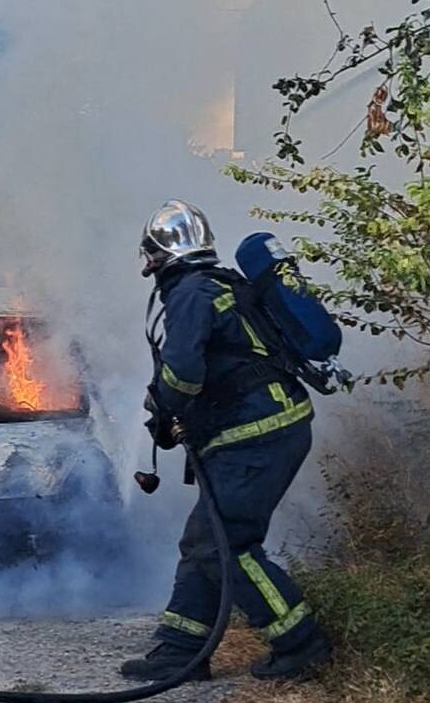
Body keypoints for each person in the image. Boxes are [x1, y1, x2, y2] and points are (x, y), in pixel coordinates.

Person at [119, 200, 333, 683]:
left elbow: (183, 373)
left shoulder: (189, 293)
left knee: (227, 546)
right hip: (271, 427)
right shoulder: (221, 283)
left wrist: (162, 408)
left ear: (160, 254)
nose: (148, 263)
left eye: (150, 254)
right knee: (204, 540)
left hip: (255, 435)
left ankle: (301, 643)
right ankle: (180, 652)